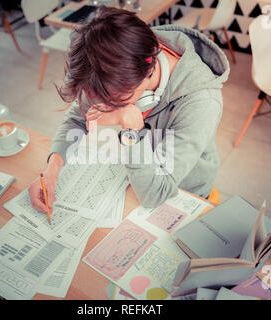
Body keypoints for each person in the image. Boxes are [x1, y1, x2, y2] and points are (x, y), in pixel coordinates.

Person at [29, 6, 229, 213]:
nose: (100, 102)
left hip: (184, 194)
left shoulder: (202, 103)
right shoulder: (116, 64)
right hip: (138, 176)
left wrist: (132, 131)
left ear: (147, 71)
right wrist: (52, 169)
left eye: (112, 99)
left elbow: (155, 193)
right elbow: (77, 118)